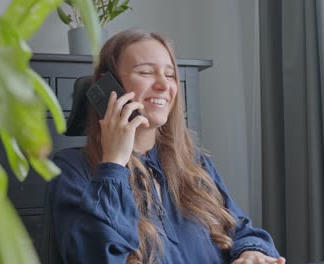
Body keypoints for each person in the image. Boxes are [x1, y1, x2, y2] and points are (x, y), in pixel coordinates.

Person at [51, 28, 286, 264]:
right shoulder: (73, 170)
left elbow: (242, 229)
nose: (164, 85)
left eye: (171, 75)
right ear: (108, 86)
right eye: (145, 72)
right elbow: (99, 257)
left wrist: (252, 253)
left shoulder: (194, 163)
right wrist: (113, 165)